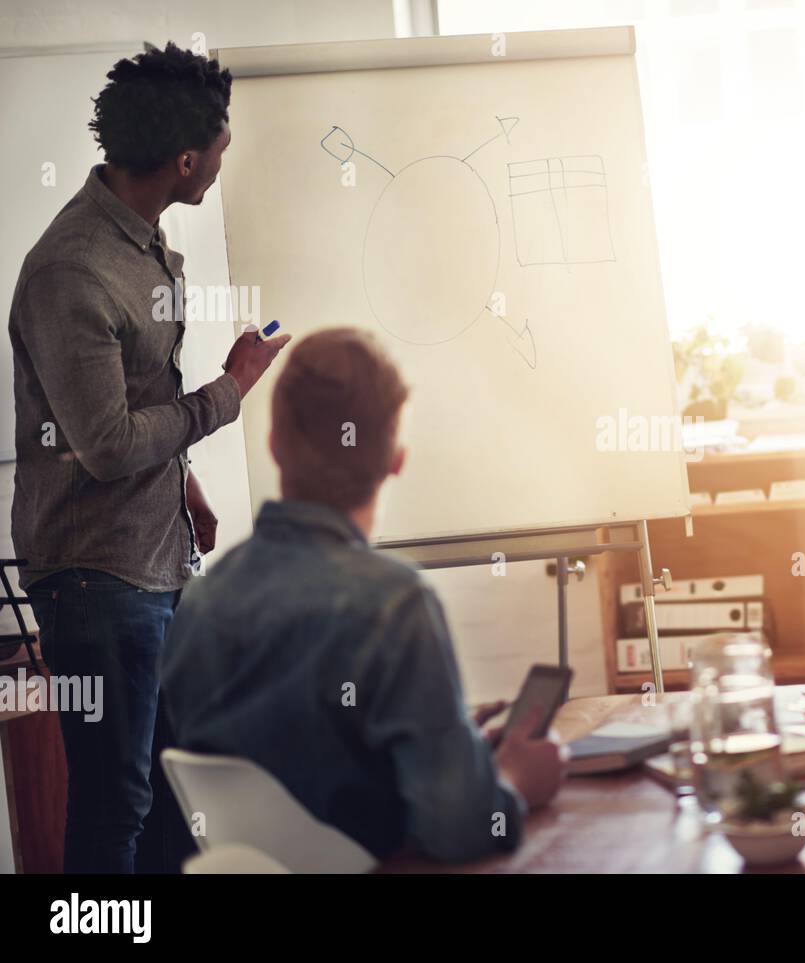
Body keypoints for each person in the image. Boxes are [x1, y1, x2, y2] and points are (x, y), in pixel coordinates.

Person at [9, 42, 289, 873]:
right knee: (115, 803)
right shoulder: (72, 270)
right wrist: (230, 390)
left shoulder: (142, 244)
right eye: (221, 148)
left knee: (174, 794)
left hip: (156, 560)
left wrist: (187, 486)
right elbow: (106, 445)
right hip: (97, 578)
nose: (223, 161)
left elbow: (127, 404)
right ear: (184, 158)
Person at [161, 328, 565, 863]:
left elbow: (299, 772)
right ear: (397, 458)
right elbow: (460, 828)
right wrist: (512, 777)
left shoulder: (197, 604)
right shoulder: (395, 604)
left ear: (274, 444)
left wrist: (448, 749)